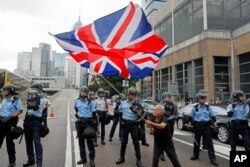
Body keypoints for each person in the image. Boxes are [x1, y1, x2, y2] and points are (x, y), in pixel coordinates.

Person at [116, 87, 144, 167]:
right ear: (127, 94)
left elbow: (142, 115)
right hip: (125, 125)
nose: (131, 96)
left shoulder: (137, 104)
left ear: (135, 96)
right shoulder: (122, 103)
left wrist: (139, 120)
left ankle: (138, 160)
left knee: (136, 142)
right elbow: (119, 112)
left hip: (134, 125)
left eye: (133, 95)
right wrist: (117, 106)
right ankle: (122, 157)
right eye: (130, 94)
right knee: (123, 142)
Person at [189, 92, 219, 166]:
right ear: (198, 99)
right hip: (198, 126)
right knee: (197, 141)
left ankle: (213, 159)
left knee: (209, 143)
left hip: (206, 126)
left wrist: (215, 125)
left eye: (204, 98)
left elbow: (213, 117)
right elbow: (191, 117)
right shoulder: (195, 107)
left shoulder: (208, 107)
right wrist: (190, 124)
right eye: (202, 98)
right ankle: (195, 155)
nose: (204, 100)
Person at [23, 83, 46, 167]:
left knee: (37, 143)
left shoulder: (43, 99)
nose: (31, 92)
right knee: (28, 142)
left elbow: (36, 107)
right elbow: (28, 106)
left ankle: (39, 163)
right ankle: (31, 160)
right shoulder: (30, 97)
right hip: (27, 121)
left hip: (36, 121)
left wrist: (35, 97)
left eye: (33, 90)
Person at [0, 84, 23, 167]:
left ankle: (12, 162)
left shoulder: (16, 100)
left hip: (10, 122)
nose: (3, 91)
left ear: (10, 91)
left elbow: (20, 110)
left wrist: (12, 116)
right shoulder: (4, 100)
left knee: (9, 144)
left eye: (5, 90)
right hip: (1, 122)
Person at [75, 86, 97, 167]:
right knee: (81, 143)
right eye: (82, 92)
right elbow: (76, 111)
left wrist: (93, 124)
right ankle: (83, 158)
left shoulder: (90, 102)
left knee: (90, 143)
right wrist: (80, 118)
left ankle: (92, 160)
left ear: (87, 93)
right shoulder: (77, 101)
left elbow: (94, 114)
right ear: (80, 92)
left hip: (88, 124)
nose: (83, 93)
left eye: (85, 92)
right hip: (80, 124)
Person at [159, 92, 177, 161]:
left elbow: (176, 114)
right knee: (162, 138)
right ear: (162, 97)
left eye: (168, 96)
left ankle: (172, 153)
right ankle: (162, 153)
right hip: (163, 122)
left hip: (170, 123)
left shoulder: (174, 104)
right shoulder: (160, 104)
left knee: (170, 138)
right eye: (165, 97)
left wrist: (173, 118)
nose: (167, 98)